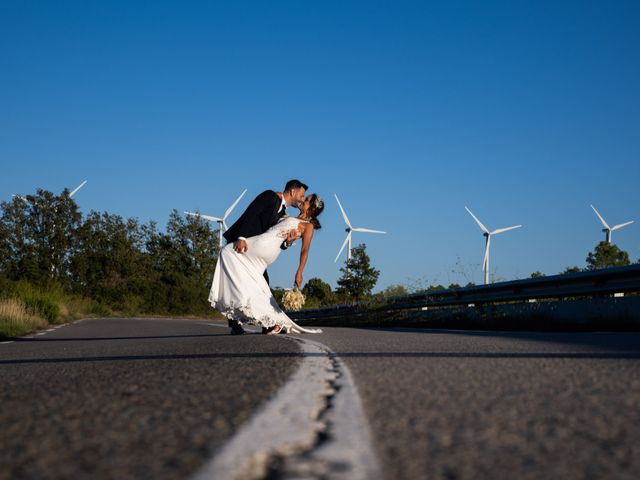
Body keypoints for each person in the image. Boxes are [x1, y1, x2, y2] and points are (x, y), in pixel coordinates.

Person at [209, 193, 324, 335]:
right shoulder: (288, 216)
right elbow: (279, 233)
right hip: (262, 242)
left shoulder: (308, 226)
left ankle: (247, 313)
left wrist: (299, 271)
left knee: (227, 252)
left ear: (312, 208)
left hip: (266, 247)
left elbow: (305, 250)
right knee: (256, 283)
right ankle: (269, 320)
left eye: (306, 200)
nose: (303, 200)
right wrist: (288, 241)